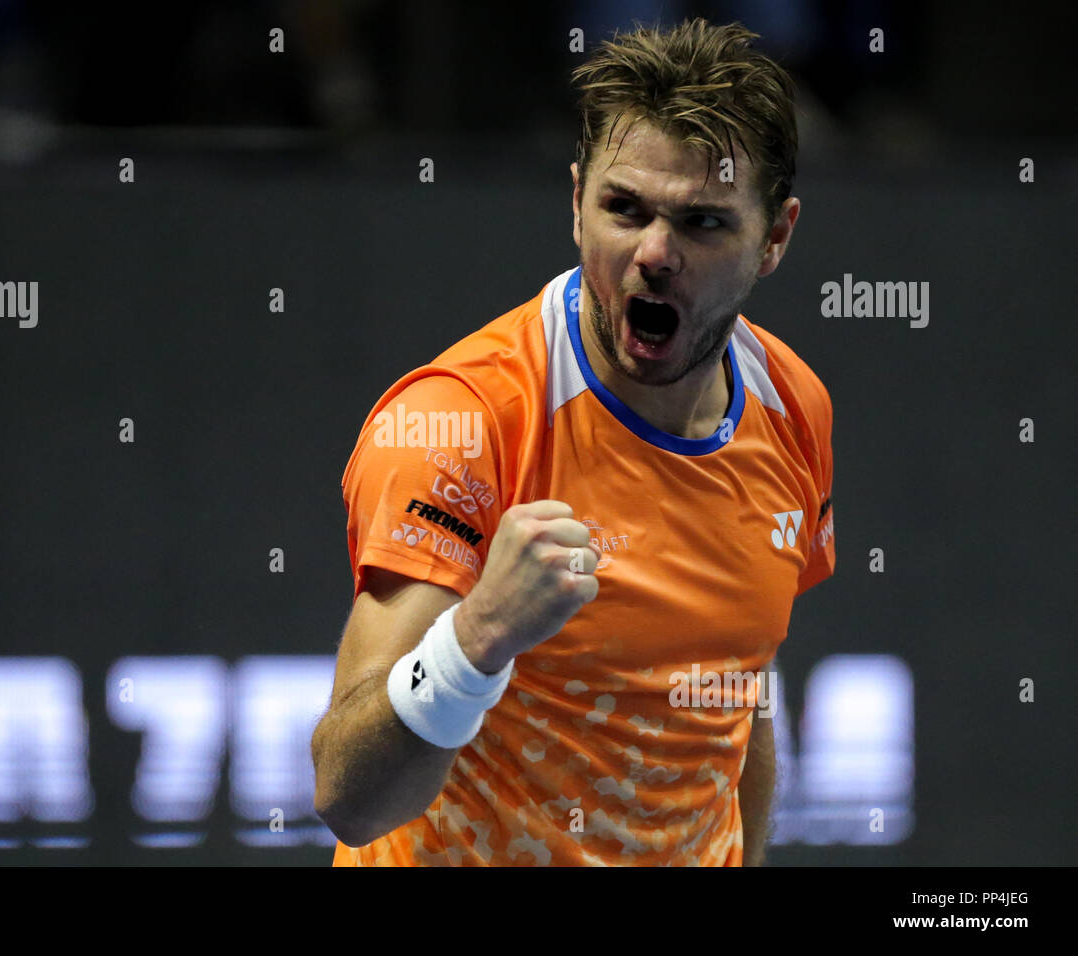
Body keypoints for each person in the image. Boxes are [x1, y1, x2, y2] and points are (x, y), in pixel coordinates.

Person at [311, 17, 835, 866]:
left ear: (774, 238)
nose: (654, 255)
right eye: (623, 208)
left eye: (703, 223)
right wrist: (476, 638)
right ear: (575, 203)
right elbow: (349, 797)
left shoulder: (792, 406)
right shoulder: (461, 421)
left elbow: (742, 688)